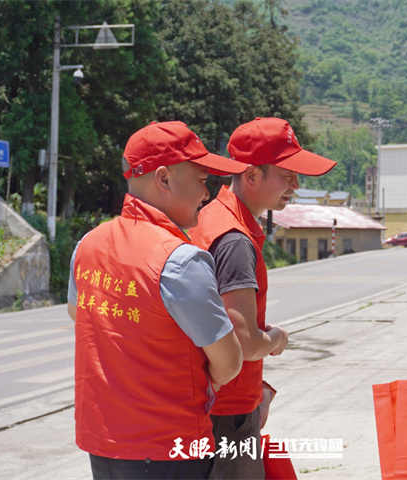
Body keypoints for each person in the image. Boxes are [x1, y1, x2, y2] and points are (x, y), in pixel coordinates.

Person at [67, 121, 247, 479]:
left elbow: (79, 313)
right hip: (170, 447)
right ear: (164, 179)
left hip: (104, 441)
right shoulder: (180, 260)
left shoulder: (87, 245)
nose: (207, 193)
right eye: (201, 179)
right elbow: (228, 361)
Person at [189, 117, 336, 479]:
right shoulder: (235, 240)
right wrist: (276, 339)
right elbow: (244, 341)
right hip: (229, 413)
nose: (296, 185)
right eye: (288, 174)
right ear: (251, 175)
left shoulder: (207, 218)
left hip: (207, 400)